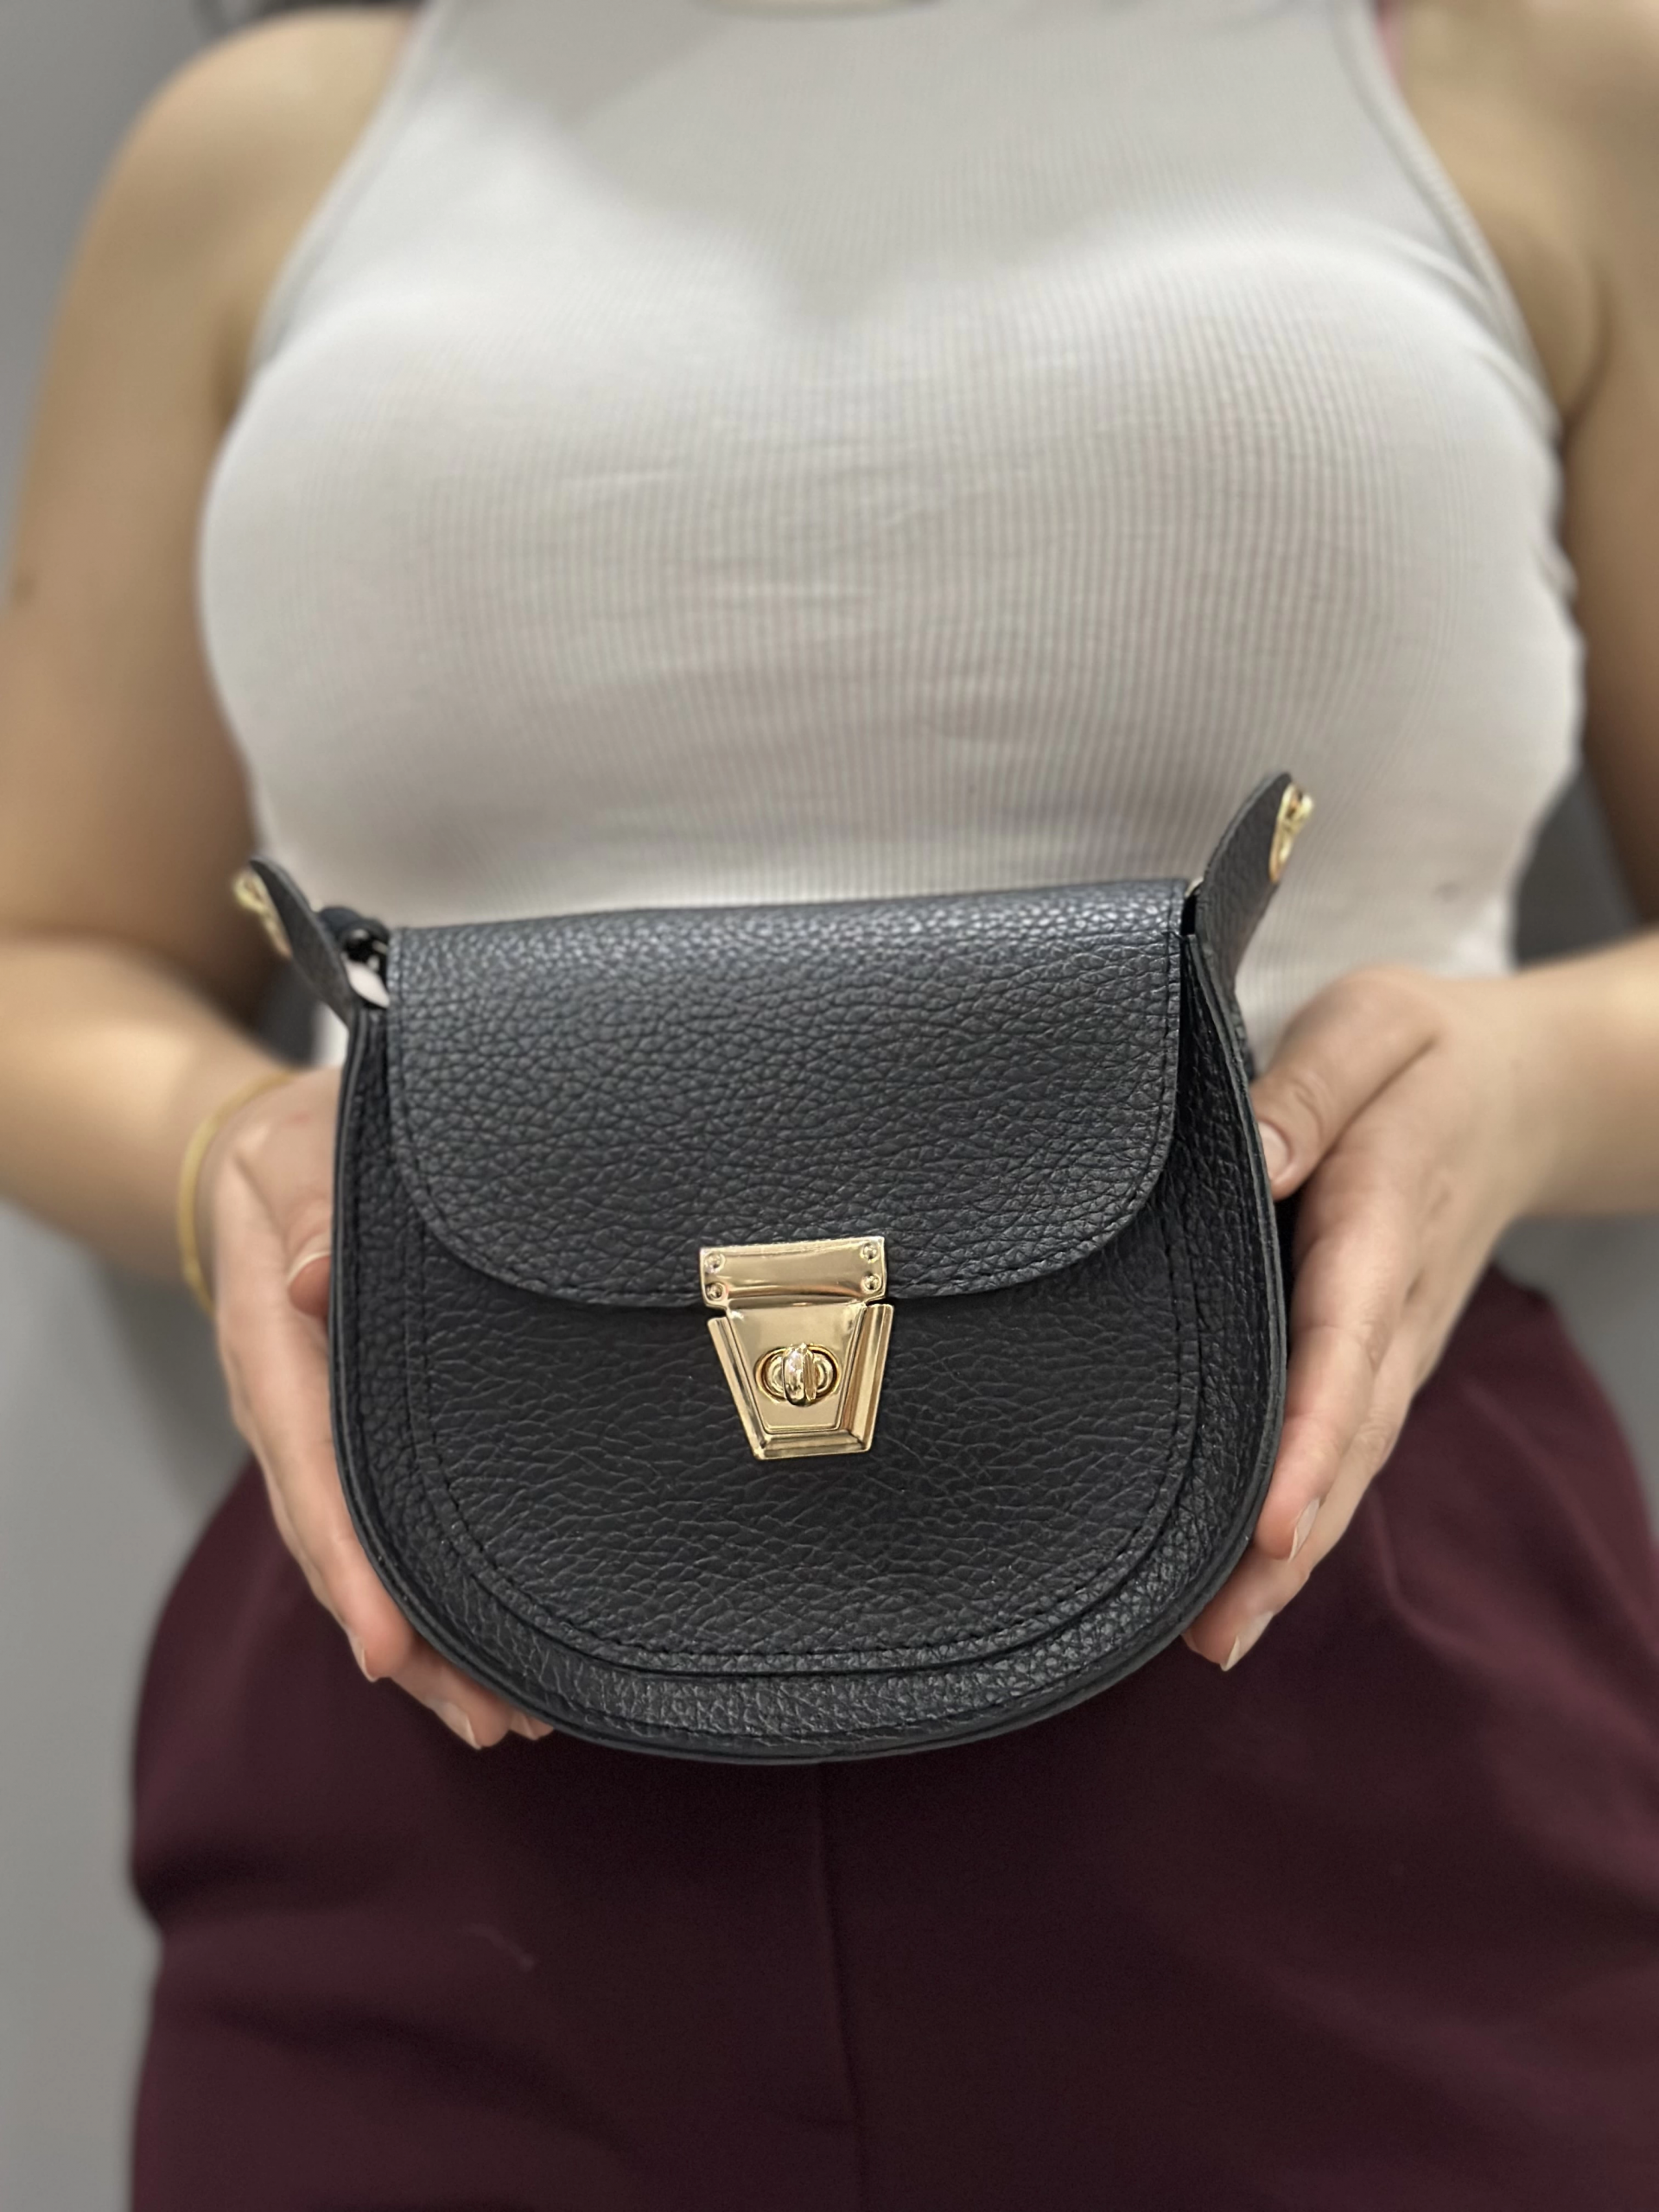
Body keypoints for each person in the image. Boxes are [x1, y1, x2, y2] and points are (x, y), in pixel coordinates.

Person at [2, 0, 1657, 2201]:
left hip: (1339, 1645)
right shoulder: (271, 148)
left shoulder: (1533, 74)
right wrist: (224, 1148)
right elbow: (46, 945)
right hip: (437, 1674)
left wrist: (1524, 1074)